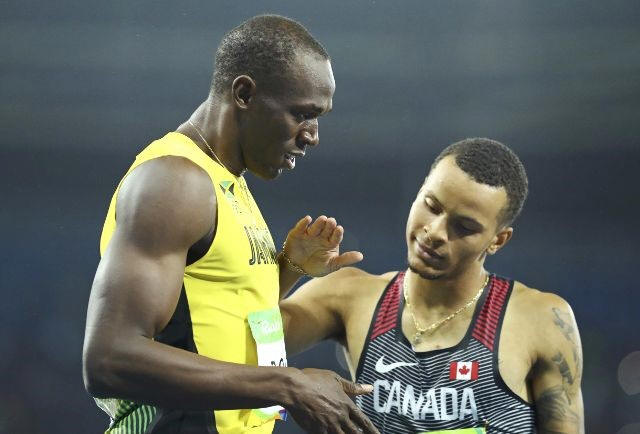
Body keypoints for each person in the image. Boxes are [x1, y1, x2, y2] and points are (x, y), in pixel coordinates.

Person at [82, 15, 379, 434]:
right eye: (302, 114)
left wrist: (289, 268)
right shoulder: (175, 181)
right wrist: (289, 385)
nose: (312, 135)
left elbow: (214, 314)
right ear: (244, 94)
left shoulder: (227, 182)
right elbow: (110, 358)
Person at [281, 138, 584, 433]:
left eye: (464, 227)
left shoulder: (541, 320)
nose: (436, 232)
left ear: (497, 240)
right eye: (432, 206)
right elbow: (255, 343)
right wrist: (290, 268)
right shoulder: (348, 295)